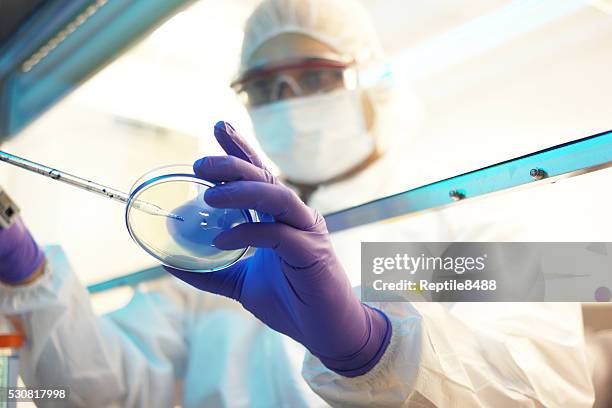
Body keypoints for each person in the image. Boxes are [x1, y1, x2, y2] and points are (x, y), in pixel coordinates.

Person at [0, 0, 601, 406]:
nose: (287, 100)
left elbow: (553, 383)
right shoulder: (229, 236)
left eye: (313, 77)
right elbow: (107, 388)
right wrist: (29, 273)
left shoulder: (468, 208)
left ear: (372, 83)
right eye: (264, 87)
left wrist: (375, 349)